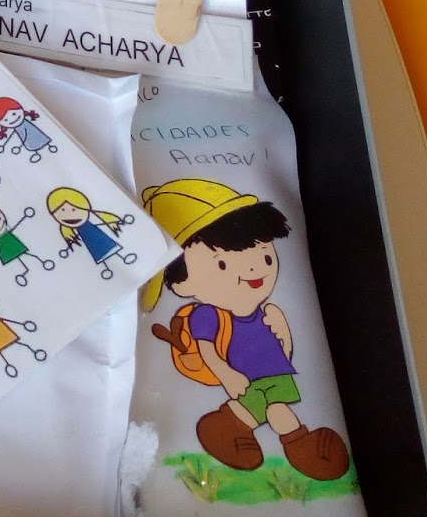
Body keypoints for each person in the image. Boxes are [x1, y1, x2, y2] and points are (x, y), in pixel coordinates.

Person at [142, 178, 350, 481]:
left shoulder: (267, 311)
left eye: (265, 256)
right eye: (223, 265)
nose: (255, 269)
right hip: (244, 375)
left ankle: (273, 438)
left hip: (275, 372)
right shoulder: (206, 315)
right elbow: (207, 350)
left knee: (273, 408)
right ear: (181, 284)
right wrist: (226, 373)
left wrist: (283, 333)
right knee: (262, 409)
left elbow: (282, 345)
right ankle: (247, 432)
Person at [47, 186, 136, 279]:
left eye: (73, 209)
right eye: (62, 210)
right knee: (98, 253)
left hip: (98, 235)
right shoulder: (72, 230)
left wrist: (118, 221)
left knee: (109, 246)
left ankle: (123, 257)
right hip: (88, 240)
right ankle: (107, 268)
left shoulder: (93, 218)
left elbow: (103, 221)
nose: (69, 214)